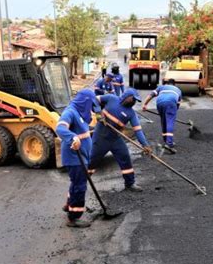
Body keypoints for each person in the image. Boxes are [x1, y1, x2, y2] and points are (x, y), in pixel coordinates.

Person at [89, 88, 152, 192]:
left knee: (125, 157)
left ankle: (130, 184)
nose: (134, 102)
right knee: (92, 160)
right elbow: (94, 99)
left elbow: (138, 130)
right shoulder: (111, 98)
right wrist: (98, 113)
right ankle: (81, 181)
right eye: (133, 99)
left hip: (115, 138)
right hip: (101, 137)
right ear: (127, 97)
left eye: (136, 100)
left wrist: (145, 145)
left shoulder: (131, 114)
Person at [56, 89, 101, 228]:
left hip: (81, 155)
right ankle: (74, 217)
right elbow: (60, 128)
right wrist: (73, 137)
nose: (91, 109)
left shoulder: (80, 112)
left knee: (75, 182)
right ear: (85, 102)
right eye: (90, 105)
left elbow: (84, 129)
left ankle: (69, 204)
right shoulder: (70, 112)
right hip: (74, 157)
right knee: (80, 186)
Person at [142, 79, 182, 154]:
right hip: (171, 102)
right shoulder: (178, 90)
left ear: (167, 83)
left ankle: (165, 140)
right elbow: (178, 104)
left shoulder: (161, 87)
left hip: (159, 103)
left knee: (163, 120)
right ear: (174, 84)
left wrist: (145, 104)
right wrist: (172, 113)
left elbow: (151, 95)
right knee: (170, 121)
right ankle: (169, 143)